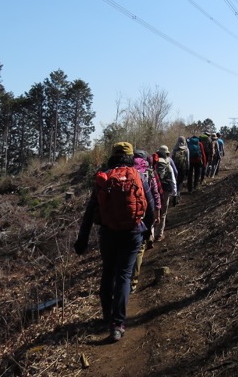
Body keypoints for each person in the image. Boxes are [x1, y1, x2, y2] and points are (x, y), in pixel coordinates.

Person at [73, 141, 155, 343]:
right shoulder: (138, 176)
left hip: (108, 234)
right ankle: (117, 325)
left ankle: (107, 315)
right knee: (124, 276)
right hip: (133, 232)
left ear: (113, 155)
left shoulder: (104, 177)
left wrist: (82, 240)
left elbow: (90, 211)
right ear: (130, 156)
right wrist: (147, 230)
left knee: (108, 272)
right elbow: (151, 207)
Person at [130, 150, 162, 291]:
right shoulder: (148, 172)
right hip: (143, 215)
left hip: (127, 214)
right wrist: (157, 212)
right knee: (139, 249)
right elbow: (155, 193)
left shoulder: (127, 171)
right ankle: (133, 281)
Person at [154, 145, 178, 240]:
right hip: (165, 190)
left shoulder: (153, 162)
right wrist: (175, 192)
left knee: (154, 211)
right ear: (167, 153)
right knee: (163, 213)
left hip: (154, 190)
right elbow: (174, 175)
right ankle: (159, 235)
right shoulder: (168, 162)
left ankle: (151, 235)